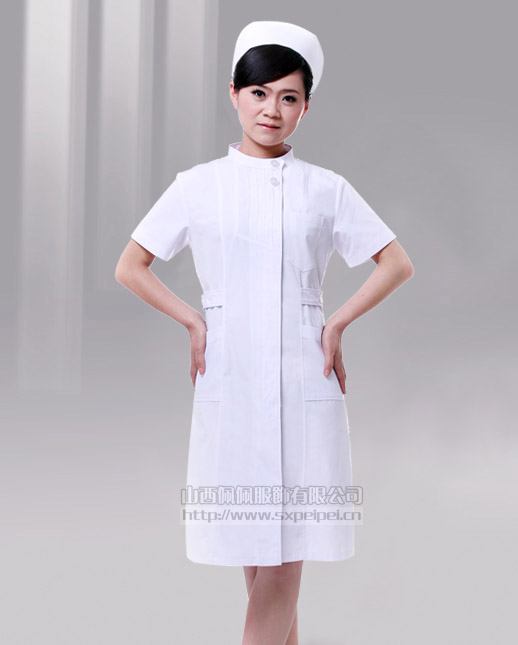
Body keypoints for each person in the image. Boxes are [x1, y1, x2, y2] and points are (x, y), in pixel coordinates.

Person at [115, 19, 414, 645]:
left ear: (306, 107)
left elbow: (395, 262)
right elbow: (131, 266)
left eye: (288, 97)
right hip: (230, 383)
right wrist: (193, 318)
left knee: (283, 561)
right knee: (258, 559)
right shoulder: (197, 186)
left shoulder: (325, 189)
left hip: (305, 380)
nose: (271, 110)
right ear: (233, 94)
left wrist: (336, 321)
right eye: (258, 93)